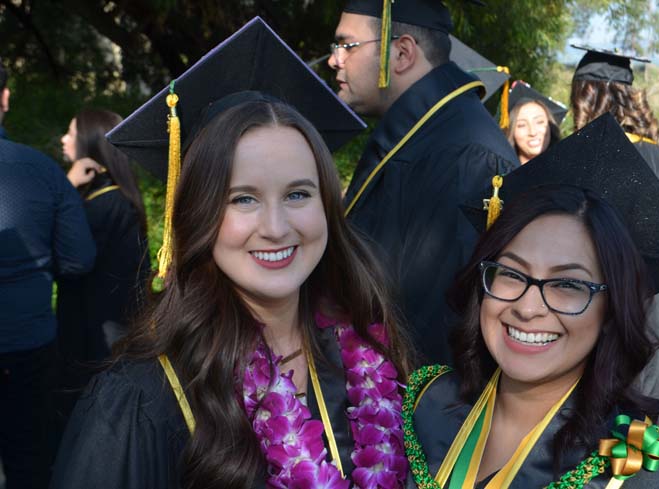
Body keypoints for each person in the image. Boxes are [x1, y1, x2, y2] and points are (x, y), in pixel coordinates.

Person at [49, 18, 410, 489]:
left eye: (299, 194)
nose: (277, 228)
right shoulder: (143, 401)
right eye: (242, 198)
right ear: (197, 214)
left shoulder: (366, 353)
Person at [404, 115, 659, 488]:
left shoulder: (633, 476)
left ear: (612, 310)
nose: (528, 307)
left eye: (567, 284)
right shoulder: (425, 408)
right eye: (511, 273)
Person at [329, 0, 519, 363]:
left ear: (401, 53)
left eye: (347, 45)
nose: (335, 59)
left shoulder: (464, 156)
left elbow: (432, 329)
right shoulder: (425, 133)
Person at [0, 58, 96, 489]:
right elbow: (79, 261)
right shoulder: (43, 173)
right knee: (30, 466)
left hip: (28, 344)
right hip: (27, 350)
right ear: (4, 98)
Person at [569, 47, 659, 408]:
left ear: (586, 94)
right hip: (615, 326)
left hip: (610, 329)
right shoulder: (652, 158)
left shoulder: (641, 158)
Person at [55, 109, 150, 420]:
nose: (64, 139)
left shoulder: (101, 205)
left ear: (90, 143)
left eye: (71, 133)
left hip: (94, 338)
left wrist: (66, 189)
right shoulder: (116, 198)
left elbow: (57, 255)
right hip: (113, 332)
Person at [504, 80, 565, 164]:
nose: (532, 132)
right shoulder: (500, 175)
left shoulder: (568, 168)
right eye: (521, 125)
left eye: (539, 122)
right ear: (511, 132)